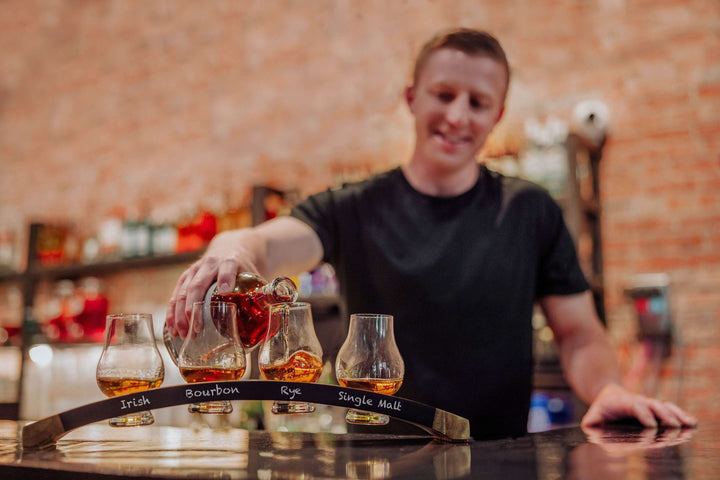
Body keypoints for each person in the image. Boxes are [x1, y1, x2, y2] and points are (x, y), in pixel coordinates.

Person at [166, 28, 697, 440]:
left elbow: (579, 332)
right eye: (443, 94)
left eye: (477, 102)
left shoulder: (530, 210)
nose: (457, 116)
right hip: (376, 460)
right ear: (412, 97)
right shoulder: (352, 207)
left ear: (498, 115)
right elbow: (270, 243)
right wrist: (231, 249)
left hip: (497, 455)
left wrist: (607, 391)